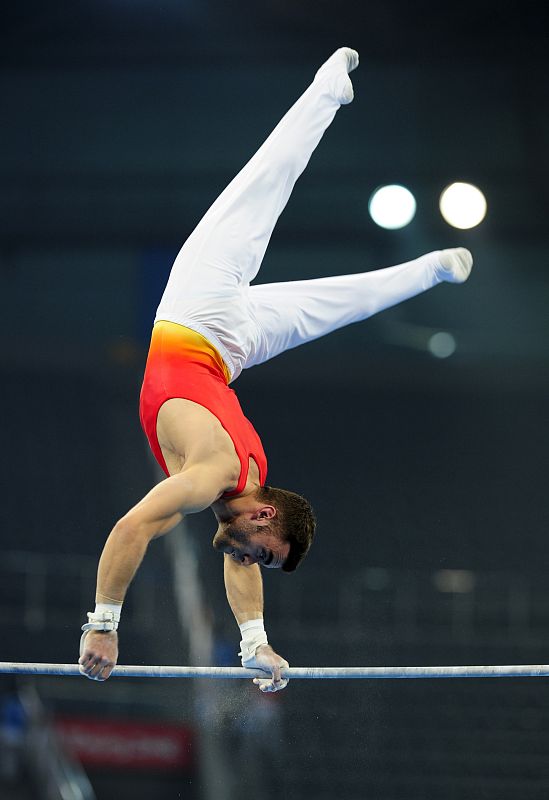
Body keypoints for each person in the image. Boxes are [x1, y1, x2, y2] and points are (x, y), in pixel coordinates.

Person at [78, 47, 473, 691]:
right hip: (198, 310)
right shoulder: (214, 478)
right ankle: (326, 90)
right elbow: (133, 526)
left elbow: (239, 559)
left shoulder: (248, 485)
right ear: (264, 516)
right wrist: (103, 621)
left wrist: (255, 644)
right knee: (263, 186)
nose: (244, 557)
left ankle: (427, 270)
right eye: (259, 550)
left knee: (337, 308)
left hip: (226, 352)